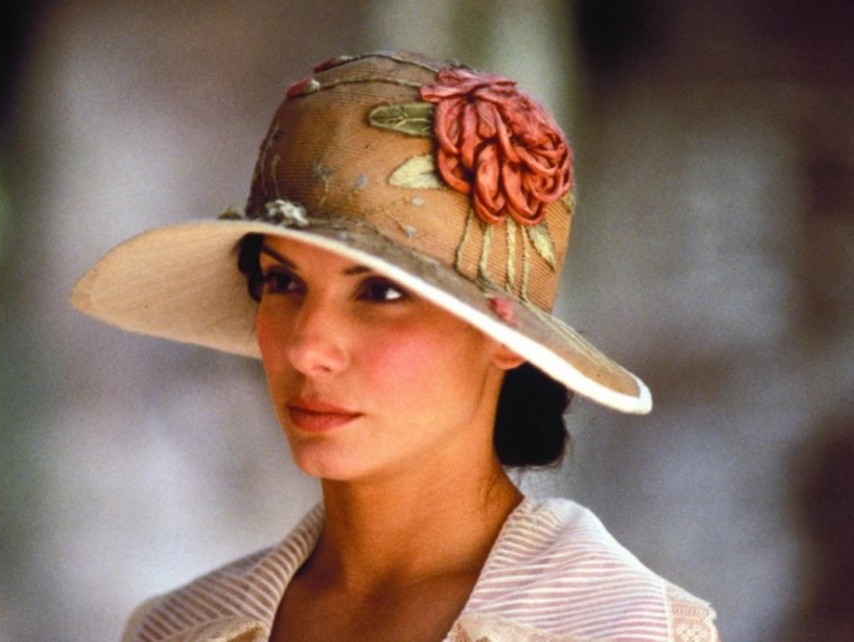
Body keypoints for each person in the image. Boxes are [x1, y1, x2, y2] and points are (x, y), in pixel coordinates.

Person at [73, 52, 719, 641]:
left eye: (381, 292)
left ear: (505, 337)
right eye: (282, 281)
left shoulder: (624, 627)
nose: (306, 349)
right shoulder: (177, 629)